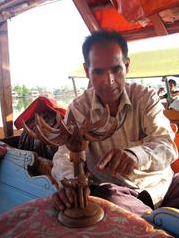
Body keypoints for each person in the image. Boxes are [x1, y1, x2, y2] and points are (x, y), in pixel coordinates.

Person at [51, 30, 179, 216]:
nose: (109, 80)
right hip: (118, 193)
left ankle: (149, 221)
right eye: (99, 71)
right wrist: (70, 184)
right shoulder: (79, 108)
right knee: (108, 198)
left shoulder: (145, 98)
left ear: (127, 65)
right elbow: (64, 155)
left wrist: (136, 155)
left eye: (116, 69)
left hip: (162, 186)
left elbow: (166, 144)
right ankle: (154, 223)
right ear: (87, 71)